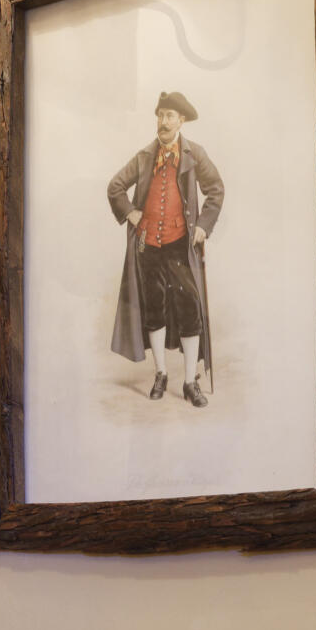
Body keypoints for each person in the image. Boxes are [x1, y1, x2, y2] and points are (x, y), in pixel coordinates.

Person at [106, 91, 225, 407]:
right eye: (160, 115)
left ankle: (189, 382)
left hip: (179, 246)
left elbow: (216, 190)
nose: (163, 122)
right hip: (148, 247)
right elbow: (115, 187)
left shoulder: (194, 154)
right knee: (154, 308)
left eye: (170, 116)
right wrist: (132, 213)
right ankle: (160, 373)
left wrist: (202, 226)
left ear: (181, 121)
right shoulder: (145, 156)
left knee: (189, 309)